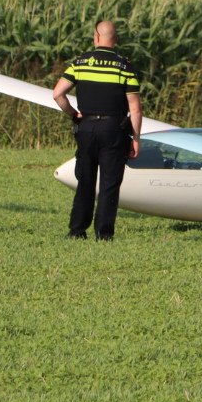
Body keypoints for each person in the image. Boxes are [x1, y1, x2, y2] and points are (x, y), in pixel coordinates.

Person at [52, 20, 143, 240]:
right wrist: (136, 139)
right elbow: (135, 109)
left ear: (96, 37)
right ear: (116, 39)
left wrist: (74, 115)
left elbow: (57, 94)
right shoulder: (124, 66)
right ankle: (103, 233)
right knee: (110, 183)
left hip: (87, 127)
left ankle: (77, 230)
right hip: (114, 129)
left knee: (85, 180)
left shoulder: (80, 62)